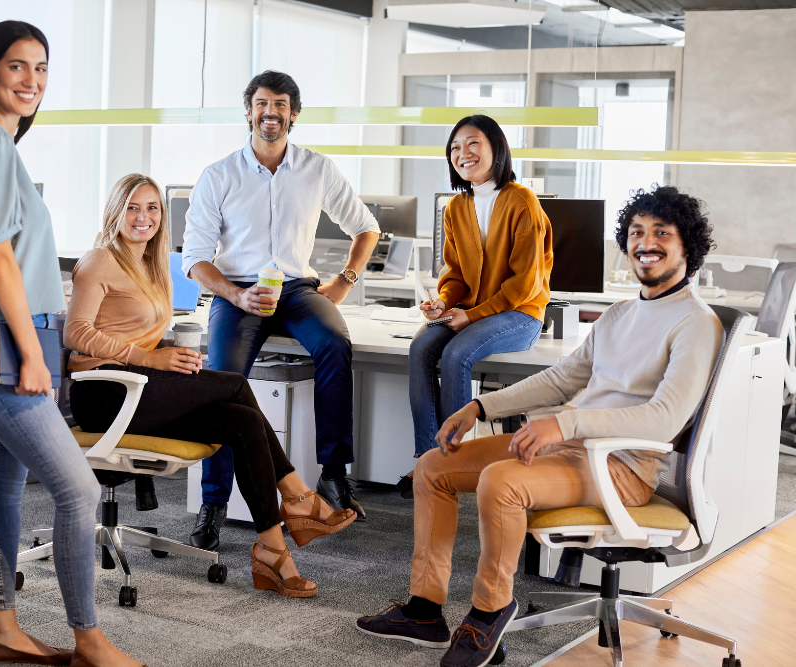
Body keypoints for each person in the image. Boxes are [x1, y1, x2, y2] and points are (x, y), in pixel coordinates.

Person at [356, 184, 720, 667]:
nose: (645, 242)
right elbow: (563, 378)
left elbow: (664, 418)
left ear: (686, 246)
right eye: (636, 232)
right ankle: (424, 609)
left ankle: (489, 610)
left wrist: (566, 425)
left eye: (660, 233)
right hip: (572, 451)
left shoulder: (696, 322)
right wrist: (480, 407)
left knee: (501, 482)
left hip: (622, 468)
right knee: (432, 467)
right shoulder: (620, 313)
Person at [0, 21, 143, 667]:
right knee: (78, 491)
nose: (31, 80)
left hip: (25, 336)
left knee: (3, 490)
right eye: (16, 67)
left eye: (41, 68)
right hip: (1, 344)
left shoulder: (2, 147)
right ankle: (90, 639)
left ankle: (1, 628)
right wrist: (33, 353)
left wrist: (44, 345)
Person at [66, 173, 356, 598]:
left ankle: (273, 552)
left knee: (242, 423)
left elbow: (131, 330)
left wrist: (171, 354)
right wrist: (150, 357)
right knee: (236, 384)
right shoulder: (100, 260)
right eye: (132, 207)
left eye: (152, 208)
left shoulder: (149, 263)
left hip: (139, 384)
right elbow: (76, 333)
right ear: (115, 211)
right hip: (103, 393)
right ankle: (298, 499)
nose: (143, 217)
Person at [181, 70, 380, 547]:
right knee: (223, 383)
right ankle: (214, 499)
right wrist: (235, 295)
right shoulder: (219, 175)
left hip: (295, 289)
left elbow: (365, 227)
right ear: (249, 111)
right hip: (240, 291)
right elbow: (194, 258)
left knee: (335, 344)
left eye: (281, 104)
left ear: (294, 113)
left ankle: (333, 473)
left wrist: (344, 280)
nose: (271, 113)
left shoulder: (318, 169)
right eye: (263, 104)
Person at [399, 115, 552, 499]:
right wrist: (444, 301)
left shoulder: (521, 200)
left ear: (495, 148)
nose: (462, 154)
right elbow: (455, 274)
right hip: (472, 310)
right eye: (454, 148)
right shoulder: (456, 207)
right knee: (420, 348)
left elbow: (525, 283)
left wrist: (472, 314)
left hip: (519, 313)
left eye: (472, 144)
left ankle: (459, 461)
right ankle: (427, 459)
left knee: (456, 354)